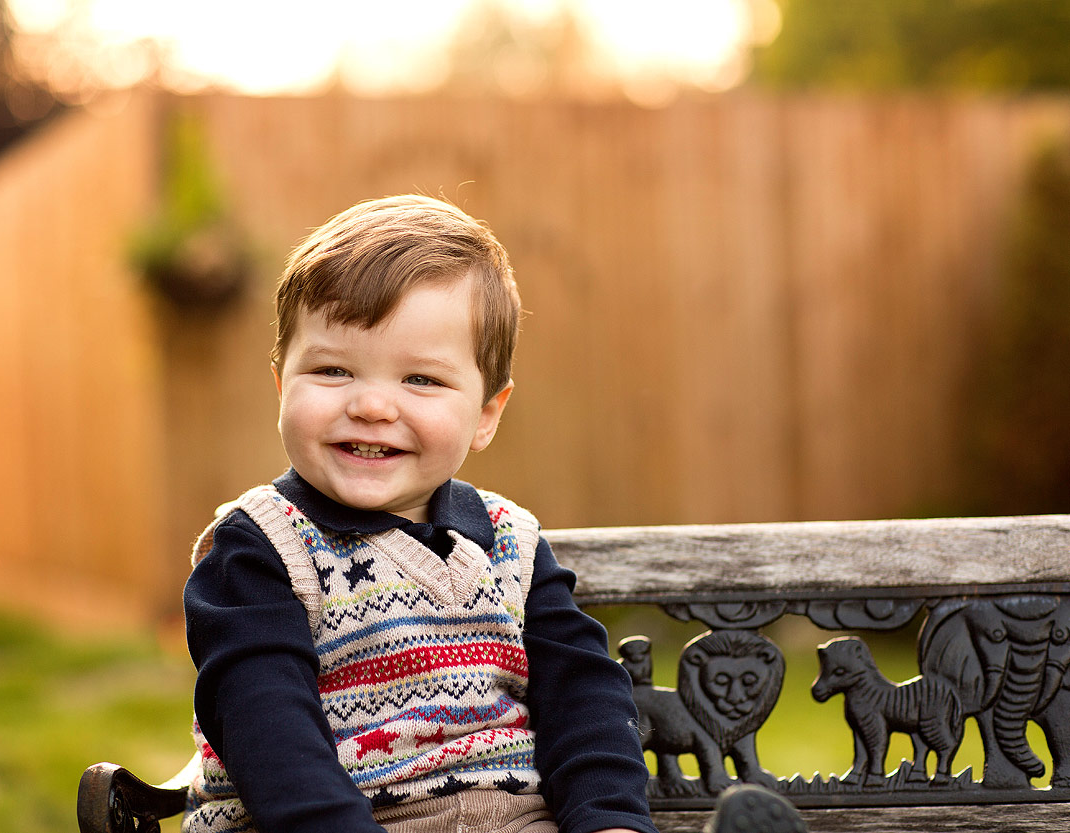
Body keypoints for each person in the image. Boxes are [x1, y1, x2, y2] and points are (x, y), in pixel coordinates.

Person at [181, 194, 805, 833]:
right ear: (284, 385)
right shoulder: (261, 548)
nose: (371, 405)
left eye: (420, 380)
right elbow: (266, 726)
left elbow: (583, 696)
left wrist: (610, 820)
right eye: (333, 370)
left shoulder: (510, 543)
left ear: (486, 413)